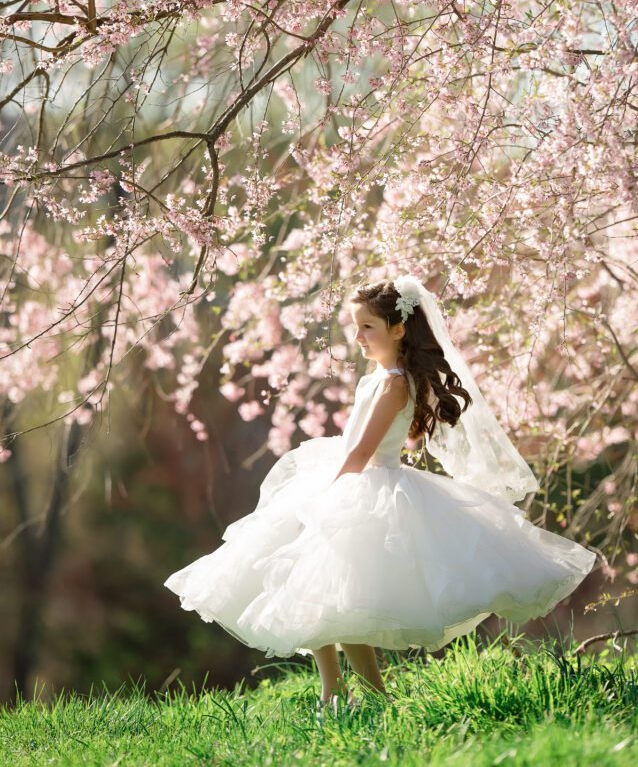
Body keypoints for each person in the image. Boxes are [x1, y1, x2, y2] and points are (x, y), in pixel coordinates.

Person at [164, 275, 596, 709]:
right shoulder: (376, 378)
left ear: (398, 329)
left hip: (368, 486)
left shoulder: (393, 384)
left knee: (343, 593)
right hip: (349, 476)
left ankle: (366, 692)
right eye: (355, 326)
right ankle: (334, 689)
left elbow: (365, 450)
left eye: (367, 327)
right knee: (313, 584)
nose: (357, 337)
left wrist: (325, 494)